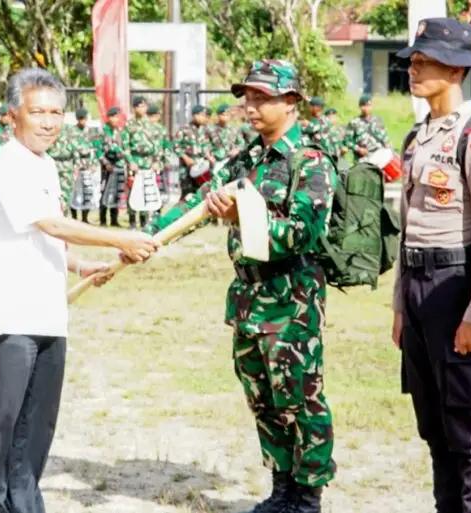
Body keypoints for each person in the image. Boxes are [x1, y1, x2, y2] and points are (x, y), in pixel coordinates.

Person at [145, 59, 336, 513]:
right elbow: (199, 201)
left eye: (261, 97)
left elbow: (301, 233)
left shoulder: (308, 162)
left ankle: (308, 498)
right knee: (264, 400)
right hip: (249, 300)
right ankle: (282, 488)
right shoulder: (248, 158)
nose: (250, 107)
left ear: (291, 103)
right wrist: (151, 236)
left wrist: (244, 217)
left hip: (291, 301)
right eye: (247, 97)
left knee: (300, 399)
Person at [0, 67, 159, 513]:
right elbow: (50, 222)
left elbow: (47, 237)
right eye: (38, 112)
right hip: (8, 317)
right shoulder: (7, 164)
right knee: (2, 426)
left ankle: (26, 504)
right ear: (13, 116)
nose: (49, 122)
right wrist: (120, 238)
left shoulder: (47, 165)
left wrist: (81, 264)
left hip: (48, 313)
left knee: (36, 427)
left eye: (56, 112)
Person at [391, 18, 471, 513]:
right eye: (412, 61)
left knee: (466, 427)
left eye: (424, 60)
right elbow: (406, 228)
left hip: (454, 285)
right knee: (433, 424)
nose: (413, 69)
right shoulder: (416, 138)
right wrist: (399, 305)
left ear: (456, 70)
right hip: (418, 287)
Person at [125, 96, 159, 227]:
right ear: (134, 108)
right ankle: (132, 221)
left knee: (146, 191)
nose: (142, 108)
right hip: (135, 162)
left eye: (144, 106)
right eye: (139, 106)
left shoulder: (151, 124)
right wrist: (130, 161)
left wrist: (156, 161)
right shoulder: (129, 124)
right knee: (133, 191)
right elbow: (125, 146)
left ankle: (144, 221)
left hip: (148, 162)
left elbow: (157, 145)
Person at [96, 106, 130, 227]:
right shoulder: (102, 131)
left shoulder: (121, 131)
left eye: (117, 117)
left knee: (117, 192)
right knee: (105, 191)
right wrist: (106, 163)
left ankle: (114, 219)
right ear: (109, 117)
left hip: (119, 165)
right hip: (107, 166)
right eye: (114, 116)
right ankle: (103, 219)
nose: (116, 119)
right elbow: (97, 150)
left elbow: (125, 149)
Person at [173, 104, 213, 197]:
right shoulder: (184, 130)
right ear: (195, 115)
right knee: (187, 195)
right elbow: (175, 146)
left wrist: (209, 156)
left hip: (202, 168)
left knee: (202, 194)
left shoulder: (205, 130)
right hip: (187, 169)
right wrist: (185, 158)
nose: (205, 118)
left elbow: (208, 146)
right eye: (203, 115)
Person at [69, 108, 100, 222]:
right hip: (76, 165)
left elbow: (96, 148)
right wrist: (75, 166)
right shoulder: (71, 131)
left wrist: (94, 163)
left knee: (87, 192)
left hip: (88, 165)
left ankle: (85, 218)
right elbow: (71, 149)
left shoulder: (91, 132)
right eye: (81, 119)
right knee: (75, 192)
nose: (83, 121)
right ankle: (74, 218)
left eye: (85, 118)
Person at [343, 93, 390, 163]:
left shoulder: (378, 120)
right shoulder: (354, 123)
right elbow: (347, 141)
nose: (366, 108)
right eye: (364, 106)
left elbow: (385, 138)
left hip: (379, 156)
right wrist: (358, 149)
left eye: (368, 106)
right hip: (363, 159)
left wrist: (388, 148)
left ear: (372, 106)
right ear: (360, 107)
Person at [47, 117, 75, 212]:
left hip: (67, 165)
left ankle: (64, 214)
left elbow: (75, 147)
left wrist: (77, 164)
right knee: (51, 192)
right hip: (52, 163)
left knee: (66, 192)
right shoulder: (48, 128)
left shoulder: (70, 129)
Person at [301, 97, 336, 162]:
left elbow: (304, 131)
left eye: (311, 106)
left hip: (321, 157)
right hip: (329, 156)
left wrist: (301, 124)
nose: (309, 109)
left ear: (317, 108)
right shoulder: (326, 120)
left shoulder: (316, 121)